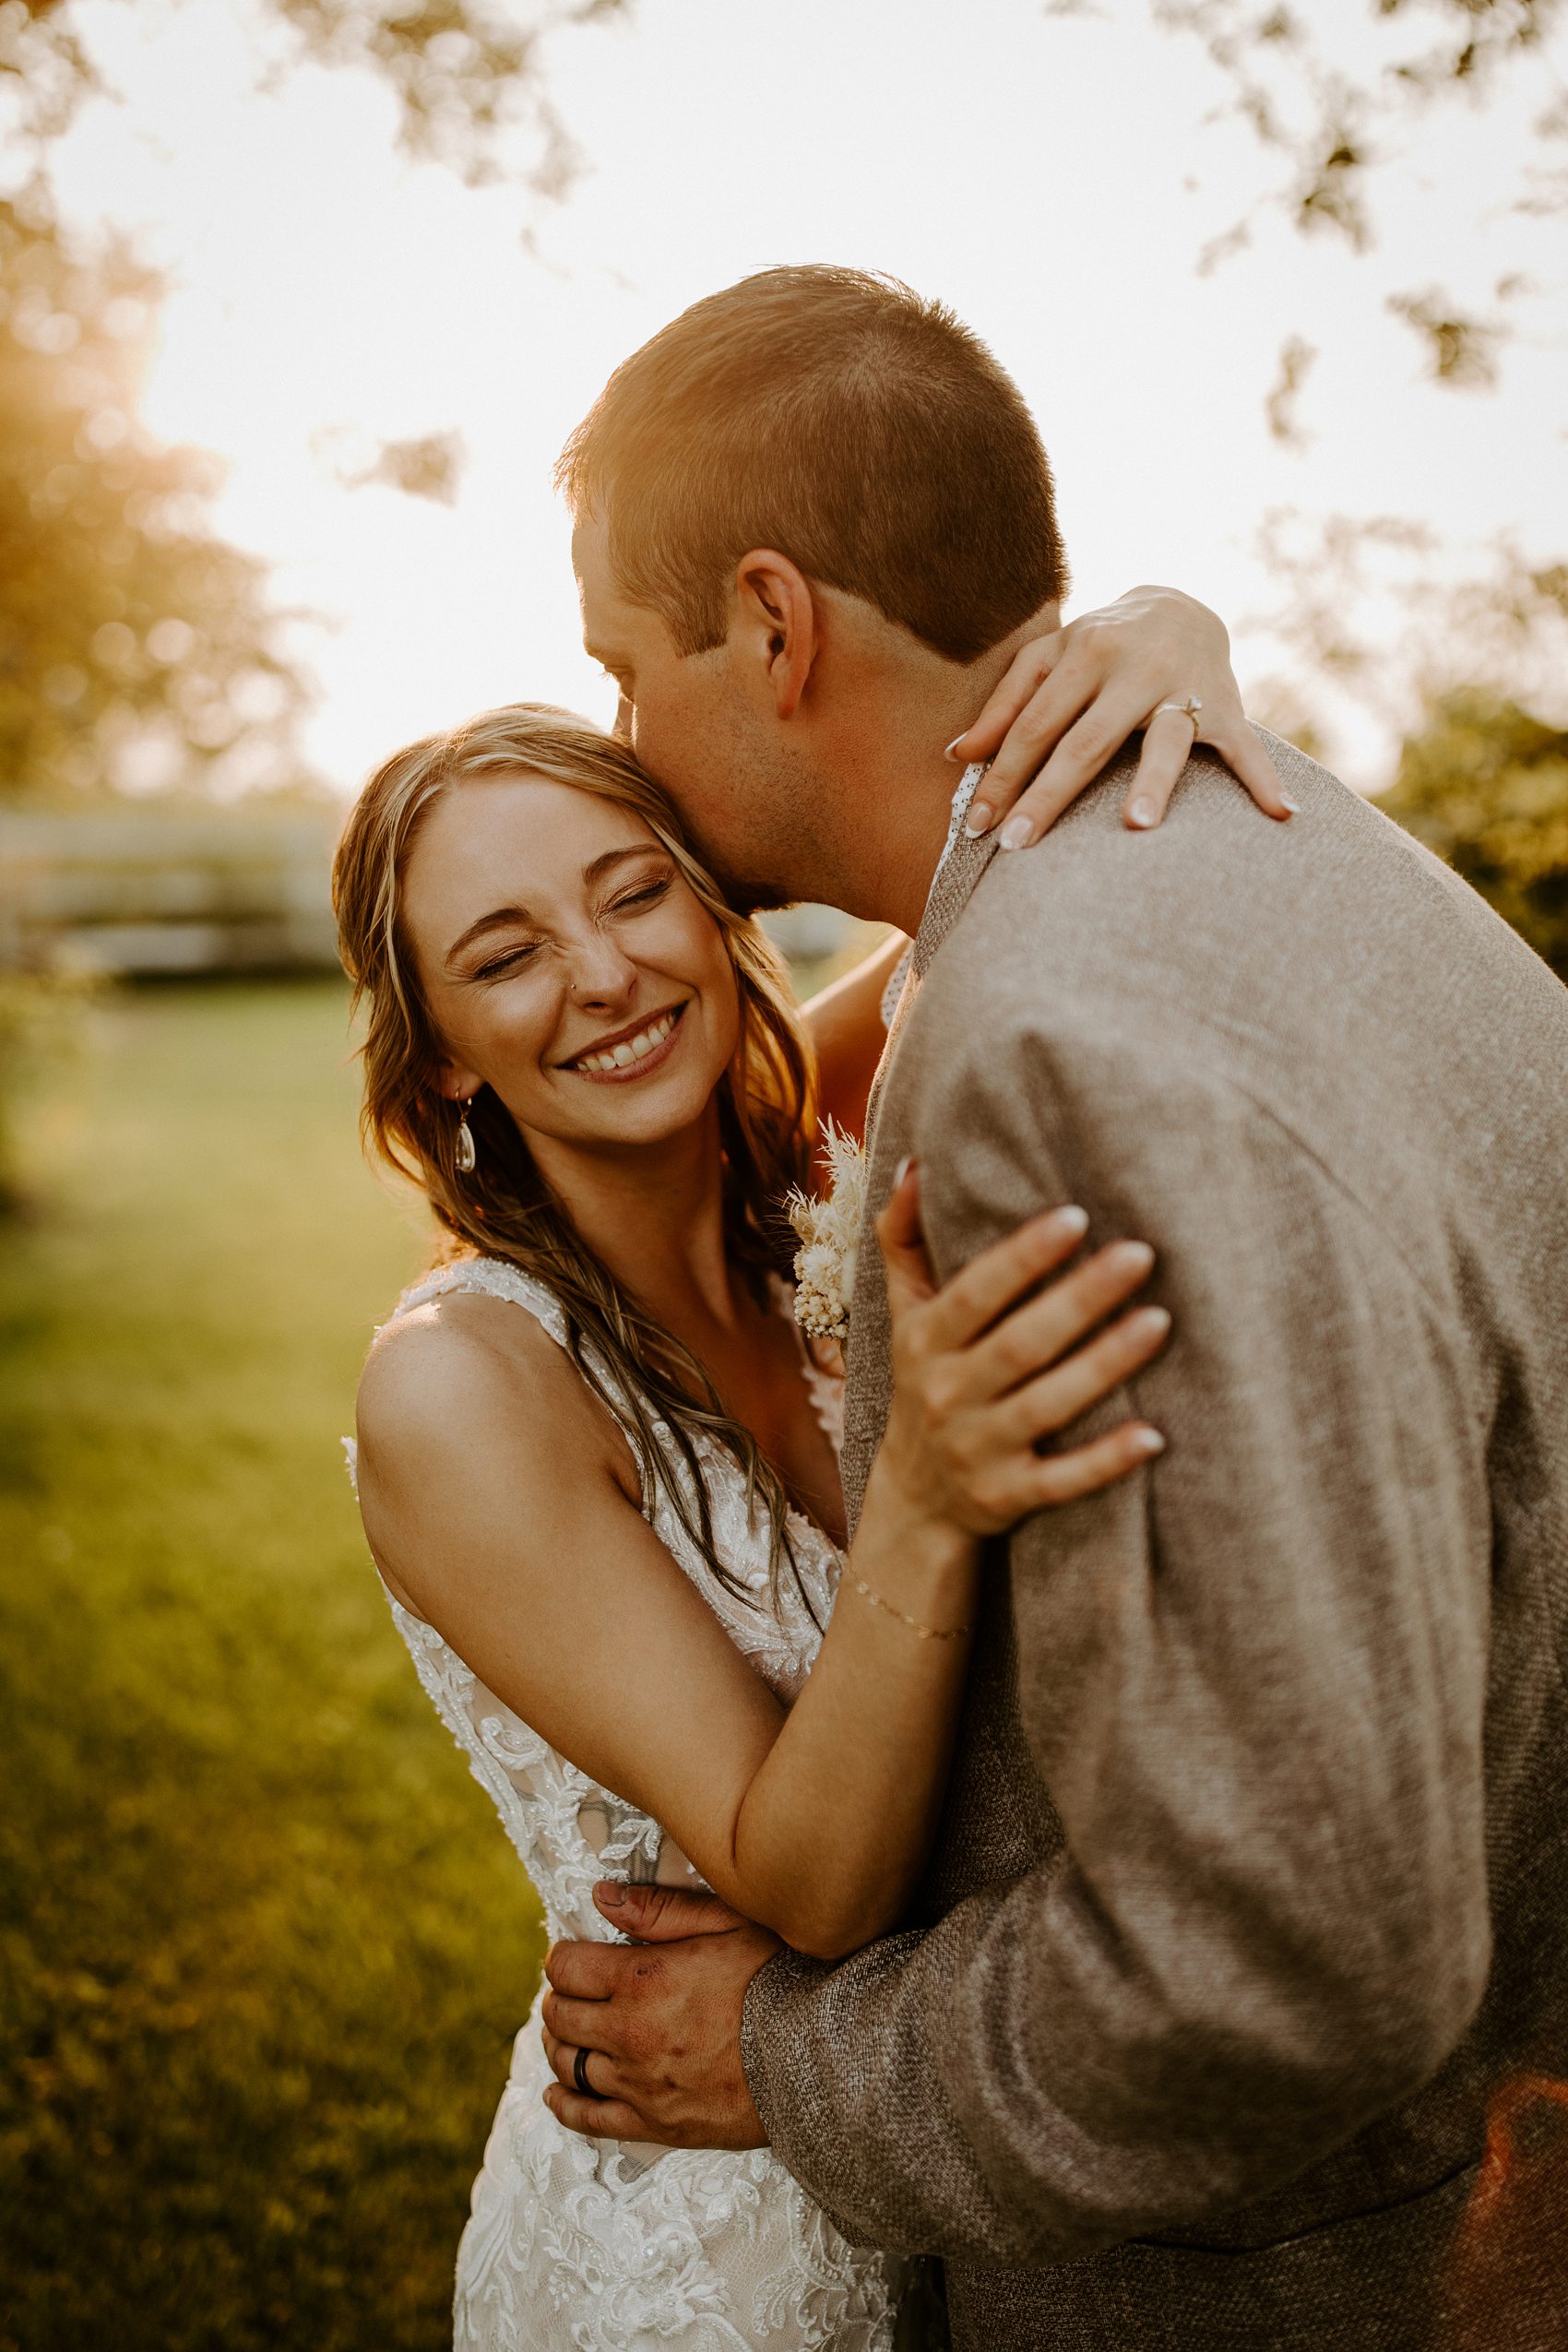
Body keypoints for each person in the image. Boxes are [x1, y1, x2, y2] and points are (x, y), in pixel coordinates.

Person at [539, 266, 1568, 2352]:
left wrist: (793, 2062)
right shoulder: (1285, 832)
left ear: (770, 620)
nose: (624, 745)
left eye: (623, 671)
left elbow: (1284, 1953)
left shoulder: (1059, 1047)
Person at [334, 654, 1277, 2350]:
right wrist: (924, 1488)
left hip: (949, 2161)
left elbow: (973, 852)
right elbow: (810, 1884)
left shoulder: (806, 1161)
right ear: (449, 1061)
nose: (606, 973)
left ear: (713, 913)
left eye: (636, 894)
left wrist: (1161, 625)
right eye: (505, 955)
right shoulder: (461, 1392)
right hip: (704, 2251)